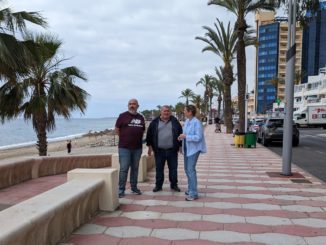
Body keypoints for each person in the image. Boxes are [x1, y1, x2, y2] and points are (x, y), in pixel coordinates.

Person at [146, 105, 183, 192]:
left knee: (173, 169)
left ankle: (174, 185)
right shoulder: (154, 122)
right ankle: (158, 186)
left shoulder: (174, 121)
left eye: (167, 111)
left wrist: (180, 146)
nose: (166, 112)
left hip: (172, 150)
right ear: (161, 112)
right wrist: (149, 147)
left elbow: (180, 133)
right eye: (164, 111)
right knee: (159, 169)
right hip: (159, 151)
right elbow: (149, 135)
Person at [115, 98, 145, 198]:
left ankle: (134, 188)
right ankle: (121, 189)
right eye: (130, 104)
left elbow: (142, 130)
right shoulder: (122, 116)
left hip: (137, 148)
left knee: (135, 169)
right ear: (128, 105)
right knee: (124, 169)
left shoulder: (141, 117)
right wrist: (125, 139)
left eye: (134, 104)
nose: (132, 105)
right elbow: (117, 129)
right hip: (124, 148)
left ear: (138, 106)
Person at [178, 105, 207, 201]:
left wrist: (186, 136)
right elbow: (185, 135)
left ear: (190, 112)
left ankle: (193, 193)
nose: (184, 112)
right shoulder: (187, 121)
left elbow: (198, 137)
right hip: (187, 148)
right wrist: (181, 138)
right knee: (187, 169)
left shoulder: (196, 122)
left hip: (194, 149)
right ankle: (190, 189)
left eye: (185, 110)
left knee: (191, 170)